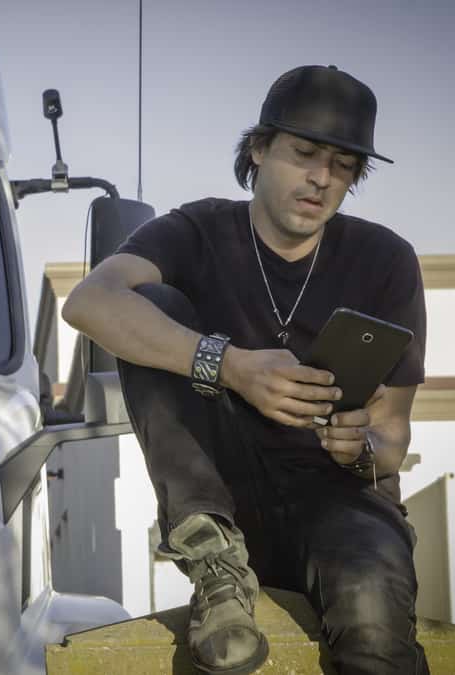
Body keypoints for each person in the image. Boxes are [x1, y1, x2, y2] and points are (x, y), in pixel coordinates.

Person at [61, 64, 428, 675]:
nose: (320, 178)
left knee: (372, 616)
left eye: (341, 166)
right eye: (304, 153)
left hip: (342, 503)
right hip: (223, 503)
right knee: (150, 308)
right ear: (258, 149)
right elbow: (89, 302)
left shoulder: (385, 259)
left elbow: (392, 439)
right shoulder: (195, 231)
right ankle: (215, 566)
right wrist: (229, 365)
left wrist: (357, 445)